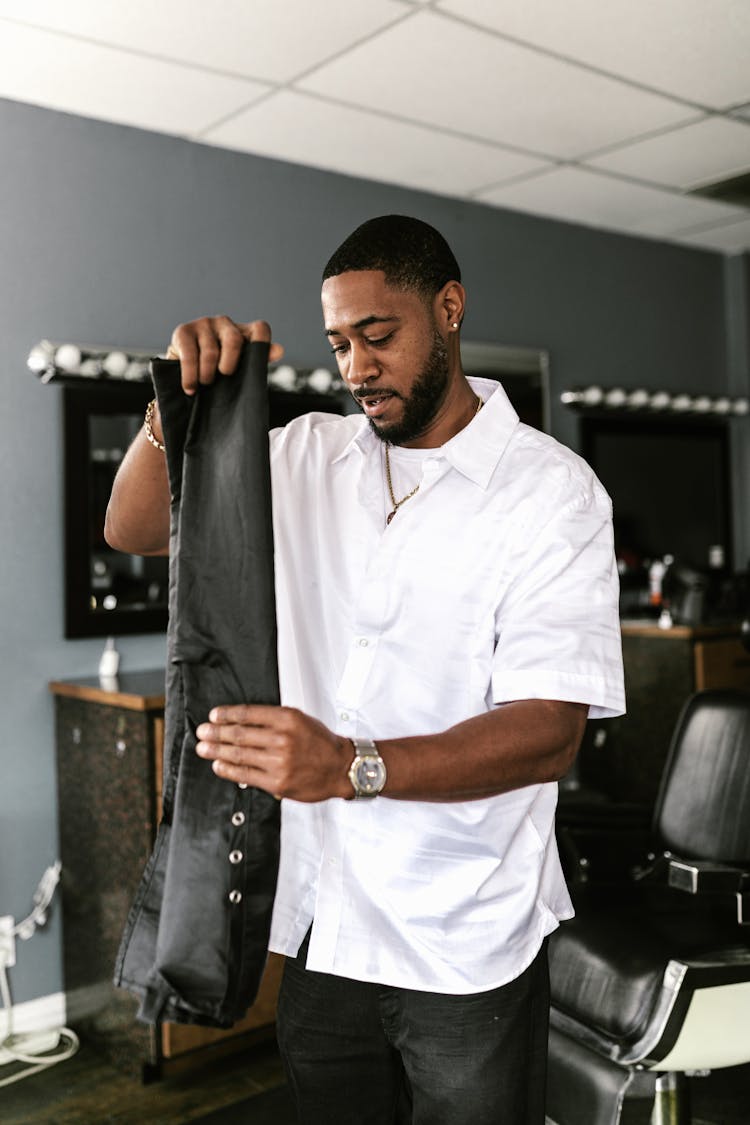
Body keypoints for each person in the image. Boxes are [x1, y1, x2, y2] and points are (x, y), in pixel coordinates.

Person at [105, 214, 624, 1124]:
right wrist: (168, 409)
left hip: (465, 940)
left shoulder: (554, 494)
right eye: (340, 342)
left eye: (379, 337)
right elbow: (135, 530)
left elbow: (549, 731)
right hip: (325, 926)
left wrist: (349, 766)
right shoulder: (307, 455)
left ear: (450, 310)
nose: (355, 367)